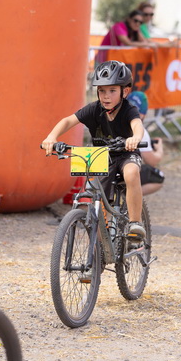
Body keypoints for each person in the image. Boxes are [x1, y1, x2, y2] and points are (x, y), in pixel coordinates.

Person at [42, 60, 146, 240]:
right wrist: (51, 137)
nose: (106, 96)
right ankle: (99, 247)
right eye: (101, 91)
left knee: (131, 173)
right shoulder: (93, 109)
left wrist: (135, 138)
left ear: (125, 92)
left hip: (126, 154)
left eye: (112, 91)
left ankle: (135, 224)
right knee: (96, 204)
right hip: (101, 156)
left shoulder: (129, 110)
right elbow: (68, 121)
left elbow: (137, 124)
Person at [127, 91, 165, 195]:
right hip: (124, 170)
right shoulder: (140, 131)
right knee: (158, 177)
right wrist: (159, 149)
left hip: (103, 167)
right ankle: (128, 198)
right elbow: (151, 161)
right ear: (143, 113)